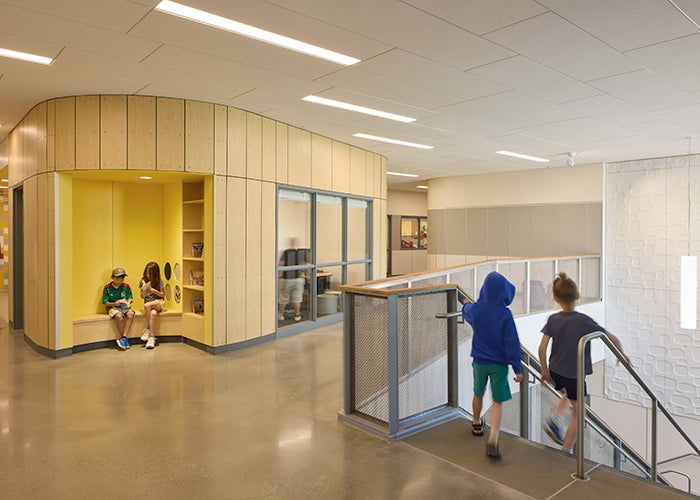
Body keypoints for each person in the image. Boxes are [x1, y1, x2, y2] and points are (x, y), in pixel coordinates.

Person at [538, 272, 630, 454]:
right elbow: (610, 337)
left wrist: (545, 371)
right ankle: (566, 450)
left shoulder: (553, 319)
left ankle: (556, 419)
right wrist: (622, 354)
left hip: (556, 371)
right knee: (580, 413)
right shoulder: (583, 321)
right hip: (574, 374)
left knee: (569, 393)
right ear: (578, 296)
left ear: (555, 298)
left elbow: (542, 349)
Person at [461, 271, 523, 459]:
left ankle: (477, 422)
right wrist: (517, 368)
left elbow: (467, 309)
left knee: (477, 393)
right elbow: (512, 343)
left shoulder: (477, 310)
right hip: (499, 365)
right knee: (497, 401)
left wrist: (465, 304)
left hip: (479, 362)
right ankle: (493, 439)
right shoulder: (505, 314)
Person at [102, 267, 135, 350]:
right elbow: (105, 303)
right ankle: (124, 339)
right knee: (119, 316)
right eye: (117, 279)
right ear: (112, 278)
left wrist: (129, 301)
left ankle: (123, 338)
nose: (120, 281)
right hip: (113, 307)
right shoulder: (107, 288)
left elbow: (130, 298)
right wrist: (114, 303)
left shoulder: (126, 286)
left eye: (122, 279)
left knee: (131, 314)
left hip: (124, 307)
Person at [278, 239, 308, 322]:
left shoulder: (286, 252)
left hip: (287, 279)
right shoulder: (301, 253)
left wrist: (278, 276)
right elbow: (305, 265)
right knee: (297, 298)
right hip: (298, 279)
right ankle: (297, 315)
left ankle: (281, 315)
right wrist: (306, 275)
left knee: (283, 297)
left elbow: (280, 264)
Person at [139, 261, 165, 349]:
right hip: (149, 303)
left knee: (147, 305)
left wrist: (154, 291)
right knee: (153, 314)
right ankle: (151, 337)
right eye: (147, 273)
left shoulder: (160, 281)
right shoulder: (142, 281)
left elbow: (162, 295)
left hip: (158, 302)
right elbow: (142, 296)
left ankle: (148, 329)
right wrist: (144, 291)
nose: (148, 276)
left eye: (150, 274)